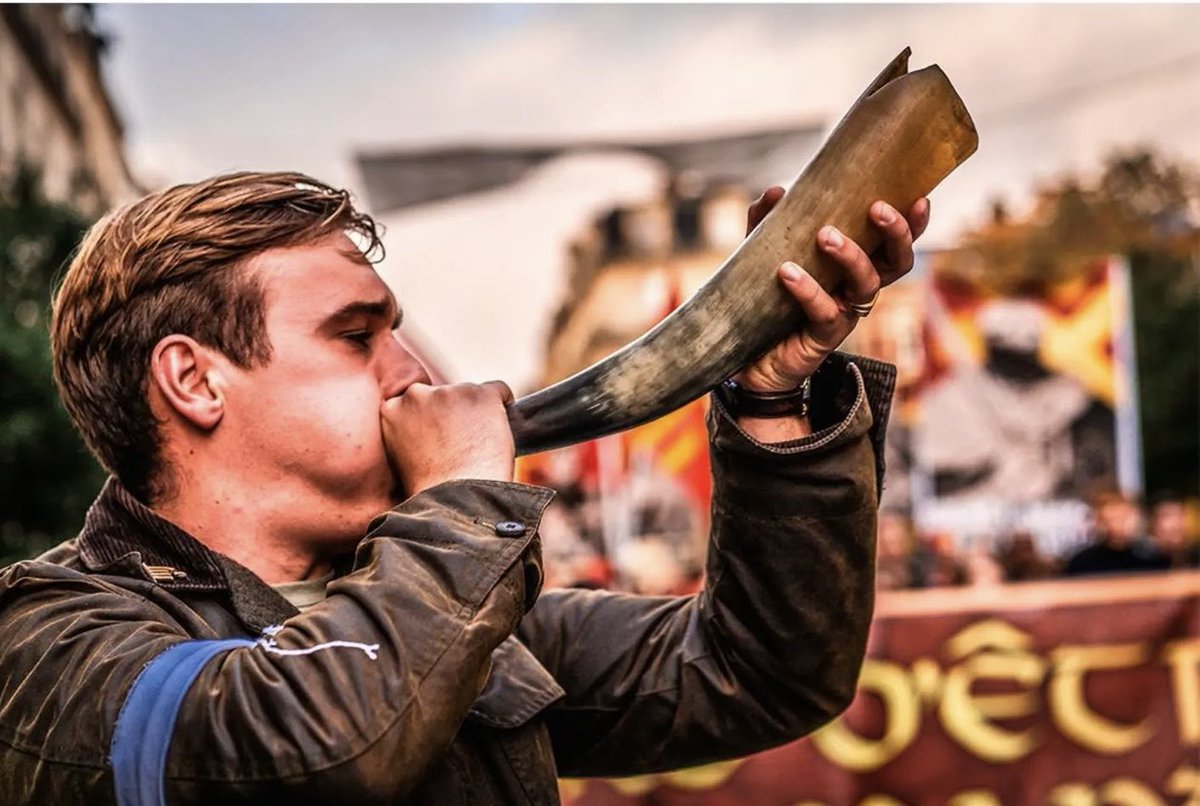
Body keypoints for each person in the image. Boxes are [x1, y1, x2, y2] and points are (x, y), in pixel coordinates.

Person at [0, 172, 926, 803]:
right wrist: (459, 502)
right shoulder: (48, 643)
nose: (413, 373)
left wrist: (771, 401)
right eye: (357, 336)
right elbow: (315, 748)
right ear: (194, 381)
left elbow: (760, 671)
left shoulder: (469, 618)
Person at [1063, 490, 1170, 577]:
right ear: (1100, 522)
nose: (1119, 525)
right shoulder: (1083, 563)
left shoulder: (1152, 559)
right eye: (1112, 519)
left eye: (1124, 518)